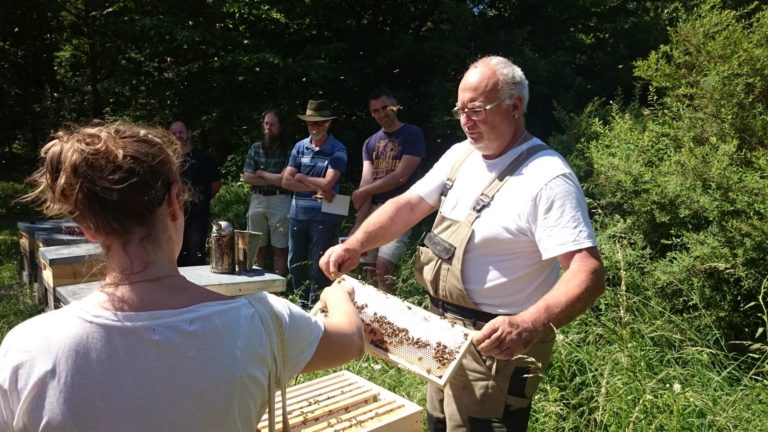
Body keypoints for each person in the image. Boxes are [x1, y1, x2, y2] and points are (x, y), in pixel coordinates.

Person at [0, 122, 363, 431]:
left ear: (88, 227)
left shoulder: (27, 349)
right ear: (175, 202)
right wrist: (336, 295)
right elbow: (350, 342)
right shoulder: (262, 320)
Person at [320, 56, 606, 431]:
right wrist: (356, 244)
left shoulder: (547, 177)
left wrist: (528, 324)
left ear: (515, 105)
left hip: (496, 350)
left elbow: (588, 272)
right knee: (440, 424)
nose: (466, 120)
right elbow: (408, 205)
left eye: (476, 110)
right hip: (440, 335)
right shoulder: (461, 155)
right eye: (460, 110)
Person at [349, 87, 426, 292]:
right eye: (376, 111)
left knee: (384, 265)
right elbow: (366, 184)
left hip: (401, 208)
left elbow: (401, 176)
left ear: (395, 105)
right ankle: (370, 318)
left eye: (385, 108)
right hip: (374, 209)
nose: (382, 114)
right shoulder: (369, 143)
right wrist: (358, 225)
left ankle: (388, 319)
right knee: (370, 268)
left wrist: (364, 191)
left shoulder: (412, 134)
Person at [283, 100, 347, 309]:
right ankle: (300, 303)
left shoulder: (338, 149)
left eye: (319, 123)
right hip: (297, 214)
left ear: (328, 123)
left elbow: (329, 182)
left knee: (319, 264)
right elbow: (285, 181)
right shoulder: (299, 147)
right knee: (294, 262)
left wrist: (301, 175)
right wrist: (318, 186)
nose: (314, 127)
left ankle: (316, 306)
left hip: (325, 216)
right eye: (311, 123)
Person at [242, 109, 292, 276]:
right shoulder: (255, 148)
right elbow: (247, 177)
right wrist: (275, 178)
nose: (268, 128)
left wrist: (262, 173)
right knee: (256, 247)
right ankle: (257, 289)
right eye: (266, 124)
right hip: (258, 199)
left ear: (281, 127)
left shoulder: (289, 150)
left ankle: (278, 290)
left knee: (280, 249)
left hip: (281, 200)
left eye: (272, 124)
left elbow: (284, 180)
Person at [169, 120, 222, 266]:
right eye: (174, 133)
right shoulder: (168, 160)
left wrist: (202, 199)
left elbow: (216, 183)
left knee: (195, 254)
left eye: (181, 132)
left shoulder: (203, 158)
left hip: (197, 215)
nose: (178, 136)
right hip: (173, 215)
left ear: (189, 133)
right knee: (175, 255)